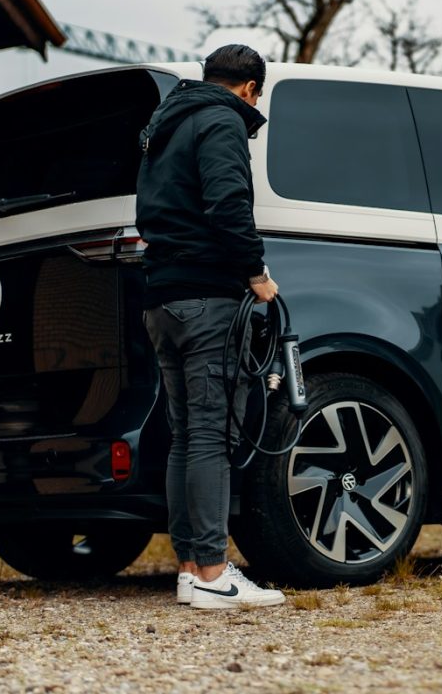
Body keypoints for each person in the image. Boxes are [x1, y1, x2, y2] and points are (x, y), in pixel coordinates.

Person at [136, 44, 287, 607]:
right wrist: (255, 272)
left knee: (186, 436)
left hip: (164, 299)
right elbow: (227, 204)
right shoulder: (221, 120)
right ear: (250, 88)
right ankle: (214, 575)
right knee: (211, 437)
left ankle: (189, 568)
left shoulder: (165, 122)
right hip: (207, 298)